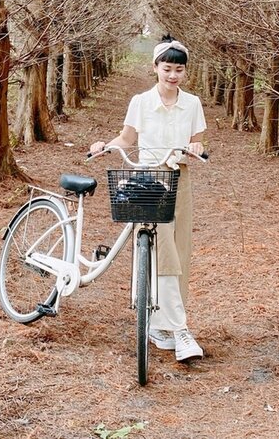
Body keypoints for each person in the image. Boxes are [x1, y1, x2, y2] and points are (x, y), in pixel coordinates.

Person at [90, 35, 207, 362]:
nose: (173, 75)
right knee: (165, 251)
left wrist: (196, 148)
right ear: (155, 67)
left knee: (179, 253)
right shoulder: (140, 101)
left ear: (185, 72)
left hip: (180, 180)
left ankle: (161, 325)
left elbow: (197, 141)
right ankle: (181, 331)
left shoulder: (193, 103)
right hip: (148, 181)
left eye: (178, 70)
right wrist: (105, 146)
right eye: (167, 68)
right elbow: (127, 138)